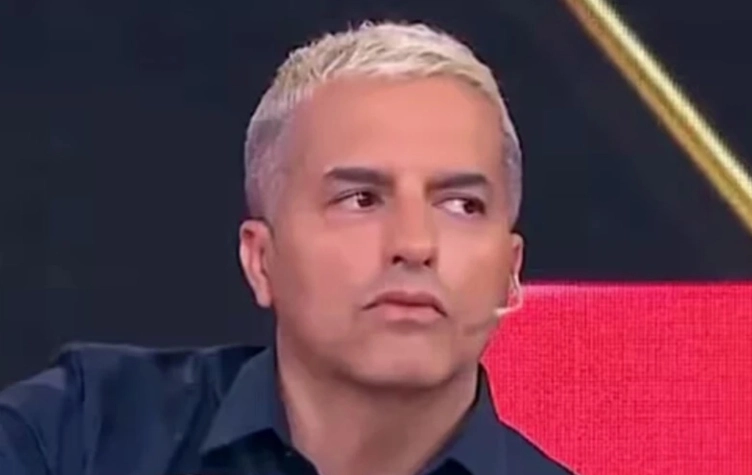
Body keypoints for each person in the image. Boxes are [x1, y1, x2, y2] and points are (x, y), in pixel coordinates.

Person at [0, 21, 573, 474]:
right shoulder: (79, 434)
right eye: (360, 199)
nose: (415, 244)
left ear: (511, 273)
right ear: (260, 260)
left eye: (461, 205)